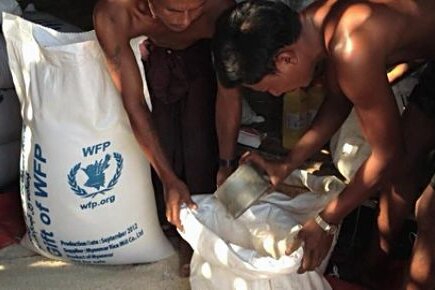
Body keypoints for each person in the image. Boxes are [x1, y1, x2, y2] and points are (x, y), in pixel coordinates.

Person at [212, 1, 435, 289]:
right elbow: (338, 100)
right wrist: (287, 163)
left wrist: (325, 221)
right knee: (405, 166)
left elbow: (387, 155)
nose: (277, 94)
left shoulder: (351, 48)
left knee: (429, 215)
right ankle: (375, 268)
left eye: (270, 87)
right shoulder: (318, 23)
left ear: (285, 60)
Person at [93, 0, 241, 276]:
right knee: (162, 145)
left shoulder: (220, 9)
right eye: (173, 11)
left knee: (200, 144)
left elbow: (229, 94)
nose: (185, 20)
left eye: (195, 9)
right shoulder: (114, 12)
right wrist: (168, 178)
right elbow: (133, 101)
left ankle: (196, 235)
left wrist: (227, 162)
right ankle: (167, 220)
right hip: (151, 57)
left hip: (201, 57)